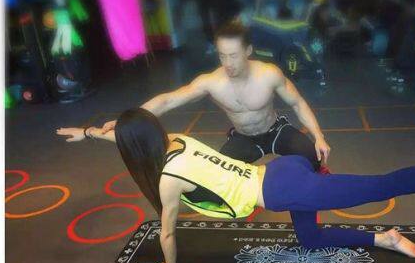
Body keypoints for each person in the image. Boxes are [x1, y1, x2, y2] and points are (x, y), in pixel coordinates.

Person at [57, 108, 415, 263]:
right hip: (282, 171)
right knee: (309, 240)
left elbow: (167, 233)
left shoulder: (166, 180)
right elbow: (131, 135)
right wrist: (90, 132)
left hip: (288, 185)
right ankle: (385, 238)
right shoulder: (176, 139)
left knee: (384, 184)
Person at [99, 20, 332, 172]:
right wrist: (126, 120)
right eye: (222, 56)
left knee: (312, 157)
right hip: (244, 138)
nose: (228, 63)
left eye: (233, 55)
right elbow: (168, 100)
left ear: (248, 51)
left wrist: (319, 136)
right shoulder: (212, 82)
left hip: (275, 130)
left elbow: (298, 103)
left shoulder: (269, 74)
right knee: (217, 184)